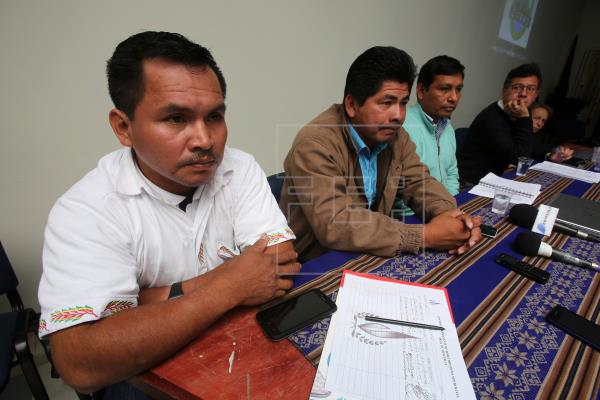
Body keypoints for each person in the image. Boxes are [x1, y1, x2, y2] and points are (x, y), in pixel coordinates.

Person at [37, 31, 300, 396]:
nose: (205, 140)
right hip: (145, 376)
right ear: (123, 127)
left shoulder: (238, 167)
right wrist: (230, 286)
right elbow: (79, 362)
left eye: (214, 116)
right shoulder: (86, 210)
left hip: (238, 346)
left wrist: (146, 301)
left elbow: (279, 263)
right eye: (176, 118)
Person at [279, 46, 481, 262]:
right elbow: (336, 223)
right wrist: (425, 235)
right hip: (315, 263)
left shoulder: (396, 136)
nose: (398, 115)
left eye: (403, 103)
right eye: (387, 103)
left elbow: (419, 183)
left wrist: (452, 218)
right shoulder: (315, 144)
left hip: (367, 251)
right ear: (351, 105)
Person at [458, 63, 541, 187]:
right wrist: (524, 118)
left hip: (491, 181)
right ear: (504, 91)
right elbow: (520, 159)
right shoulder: (492, 118)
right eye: (517, 87)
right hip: (470, 185)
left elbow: (529, 145)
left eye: (531, 89)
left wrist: (551, 154)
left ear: (536, 95)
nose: (523, 93)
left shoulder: (517, 114)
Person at [403, 55, 464, 196]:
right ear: (421, 91)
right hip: (413, 213)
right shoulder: (403, 127)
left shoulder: (447, 127)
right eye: (444, 89)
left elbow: (452, 173)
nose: (453, 98)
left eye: (458, 89)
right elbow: (402, 189)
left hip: (443, 206)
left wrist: (450, 203)